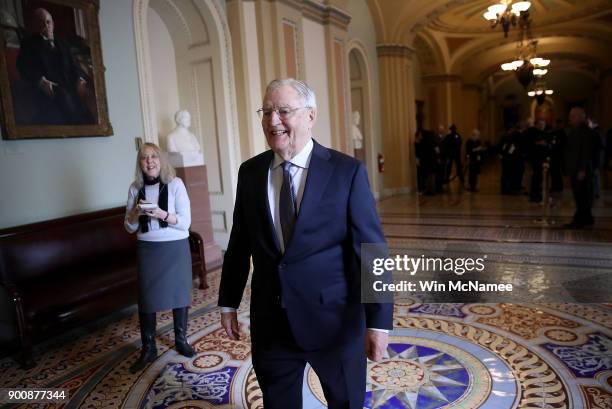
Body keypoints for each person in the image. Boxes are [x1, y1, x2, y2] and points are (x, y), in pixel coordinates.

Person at [218, 78, 393, 409]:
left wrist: (379, 321)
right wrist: (228, 301)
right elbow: (240, 241)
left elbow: (372, 251)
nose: (272, 121)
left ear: (310, 116)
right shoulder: (250, 173)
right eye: (267, 111)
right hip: (271, 323)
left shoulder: (346, 172)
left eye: (284, 111)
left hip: (334, 323)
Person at [124, 143, 196, 373]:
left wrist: (162, 214)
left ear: (161, 160)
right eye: (144, 158)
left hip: (174, 247)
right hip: (148, 249)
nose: (150, 161)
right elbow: (128, 227)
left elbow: (186, 222)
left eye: (154, 156)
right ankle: (149, 348)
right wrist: (136, 212)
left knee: (179, 293)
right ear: (140, 164)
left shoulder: (175, 184)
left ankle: (181, 340)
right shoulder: (135, 189)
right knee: (146, 298)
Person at [17, 8, 92, 125]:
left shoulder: (62, 43)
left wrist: (80, 80)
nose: (46, 26)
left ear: (53, 24)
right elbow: (24, 68)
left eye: (48, 22)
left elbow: (75, 66)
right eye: (41, 23)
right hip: (50, 89)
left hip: (70, 86)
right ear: (36, 26)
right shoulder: (29, 44)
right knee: (69, 108)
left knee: (88, 108)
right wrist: (41, 81)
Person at [564, 107, 595, 228]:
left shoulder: (586, 132)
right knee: (579, 196)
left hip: (582, 170)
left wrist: (582, 169)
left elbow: (586, 152)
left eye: (574, 116)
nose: (570, 119)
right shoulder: (575, 131)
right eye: (570, 116)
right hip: (575, 169)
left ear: (582, 116)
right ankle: (587, 218)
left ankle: (581, 220)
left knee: (583, 196)